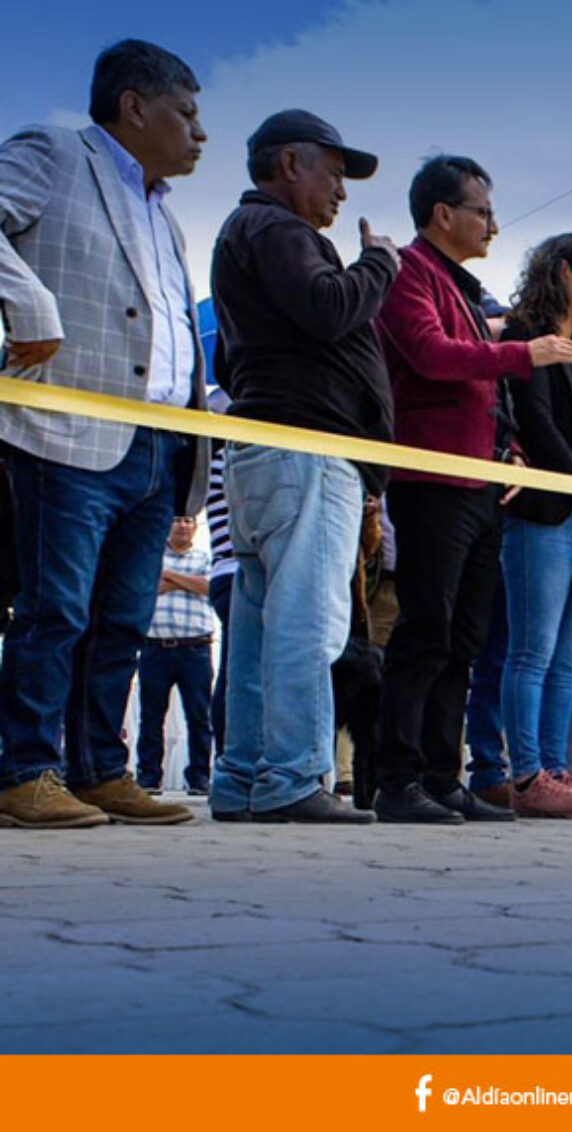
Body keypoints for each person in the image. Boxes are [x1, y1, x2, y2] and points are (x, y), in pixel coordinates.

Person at [0, 40, 209, 829]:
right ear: (134, 106)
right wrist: (31, 305)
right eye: (186, 113)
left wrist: (188, 450)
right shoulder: (55, 154)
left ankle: (96, 769)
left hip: (155, 446)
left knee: (122, 618)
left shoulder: (168, 217)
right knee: (56, 608)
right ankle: (23, 770)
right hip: (66, 430)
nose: (200, 133)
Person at [372, 156, 572, 824]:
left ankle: (442, 775)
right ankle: (396, 778)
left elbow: (481, 384)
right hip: (432, 478)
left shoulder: (462, 286)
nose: (493, 224)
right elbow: (431, 357)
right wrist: (526, 354)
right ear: (443, 215)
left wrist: (510, 446)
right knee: (424, 631)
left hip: (482, 484)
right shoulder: (409, 272)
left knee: (464, 639)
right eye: (483, 211)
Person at [209, 109, 396, 824]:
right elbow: (327, 307)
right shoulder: (280, 230)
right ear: (291, 164)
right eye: (334, 171)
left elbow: (233, 358)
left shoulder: (245, 236)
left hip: (270, 451)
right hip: (307, 450)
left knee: (260, 623)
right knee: (306, 623)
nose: (342, 193)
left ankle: (244, 778)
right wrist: (378, 263)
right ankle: (291, 778)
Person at [484, 233, 572, 819]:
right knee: (532, 650)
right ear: (563, 273)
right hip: (545, 513)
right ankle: (526, 775)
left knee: (569, 658)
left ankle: (558, 768)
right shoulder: (525, 338)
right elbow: (537, 424)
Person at [135, 516, 216, 794]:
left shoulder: (207, 557)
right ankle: (148, 777)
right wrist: (188, 583)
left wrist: (168, 576)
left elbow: (210, 587)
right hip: (155, 647)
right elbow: (146, 587)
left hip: (196, 648)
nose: (183, 525)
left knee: (199, 717)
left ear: (195, 527)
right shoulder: (151, 554)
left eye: (188, 521)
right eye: (177, 520)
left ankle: (199, 778)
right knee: (151, 717)